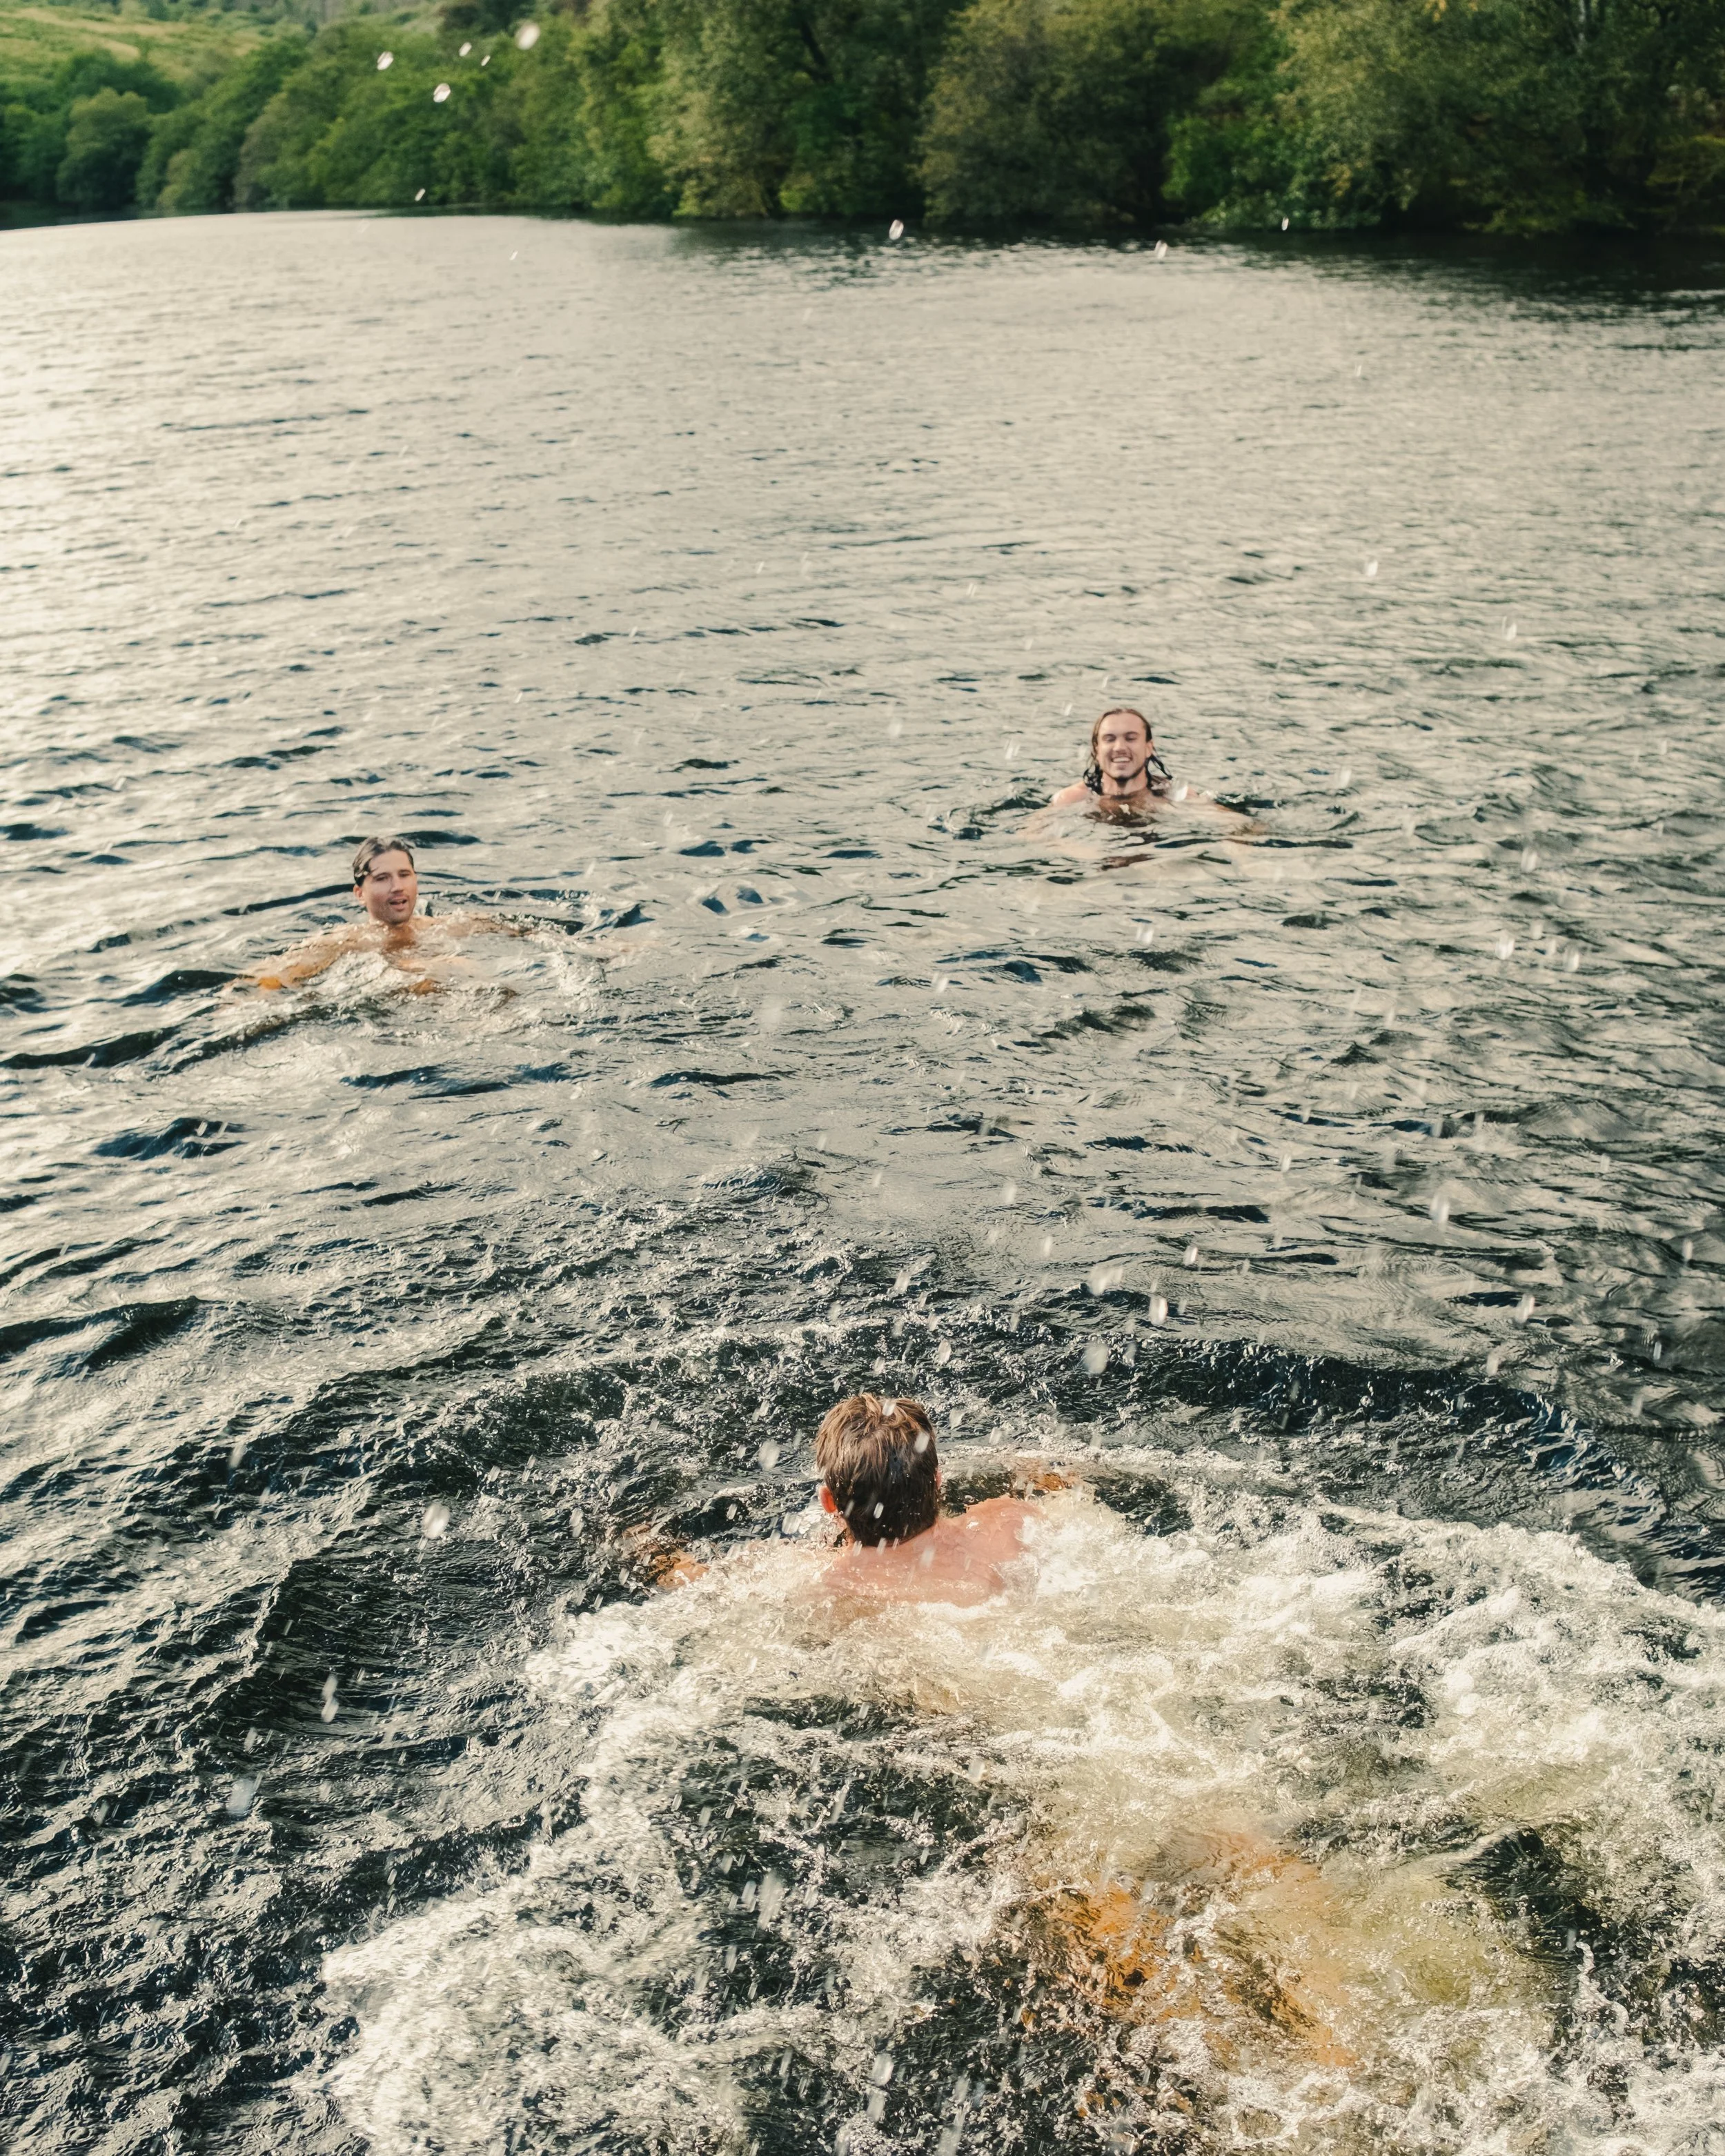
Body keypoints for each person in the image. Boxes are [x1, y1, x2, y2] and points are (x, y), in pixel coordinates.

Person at [253, 835, 515, 992]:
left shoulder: (450, 925)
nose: (397, 886)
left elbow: (523, 929)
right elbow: (271, 974)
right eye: (381, 878)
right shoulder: (347, 942)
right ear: (359, 893)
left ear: (416, 880)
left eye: (404, 875)